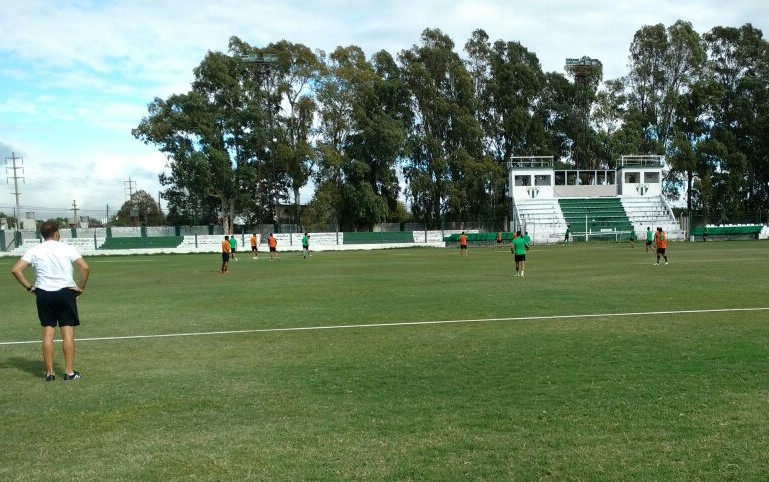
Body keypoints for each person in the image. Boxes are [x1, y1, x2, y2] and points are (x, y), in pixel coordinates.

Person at [10, 221, 90, 381]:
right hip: (65, 292)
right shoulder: (66, 248)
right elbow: (85, 267)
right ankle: (69, 372)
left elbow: (16, 269)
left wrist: (29, 287)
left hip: (43, 294)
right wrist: (80, 287)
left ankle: (50, 373)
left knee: (48, 333)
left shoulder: (34, 250)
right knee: (67, 333)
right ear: (56, 233)